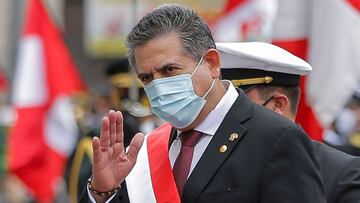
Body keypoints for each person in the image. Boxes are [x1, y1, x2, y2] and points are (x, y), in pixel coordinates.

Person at [80, 4, 326, 203]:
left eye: (169, 70)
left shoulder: (276, 138)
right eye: (147, 77)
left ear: (211, 63)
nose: (157, 85)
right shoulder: (145, 149)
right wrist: (103, 192)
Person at [218, 41, 360, 203]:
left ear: (279, 104)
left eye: (238, 101)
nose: (227, 109)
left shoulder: (341, 173)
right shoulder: (214, 162)